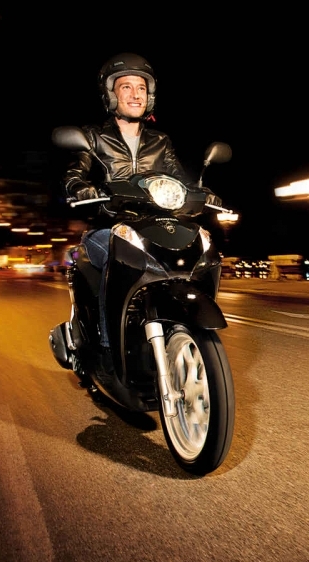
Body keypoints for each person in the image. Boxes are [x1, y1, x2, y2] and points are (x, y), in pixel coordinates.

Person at [62, 52, 220, 370]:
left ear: (150, 96)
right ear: (111, 94)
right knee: (115, 250)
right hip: (108, 227)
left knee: (202, 246)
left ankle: (185, 325)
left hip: (155, 225)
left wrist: (202, 193)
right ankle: (108, 350)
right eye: (126, 87)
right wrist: (82, 189)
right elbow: (74, 176)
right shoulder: (94, 137)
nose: (135, 94)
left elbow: (179, 179)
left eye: (141, 88)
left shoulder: (160, 141)